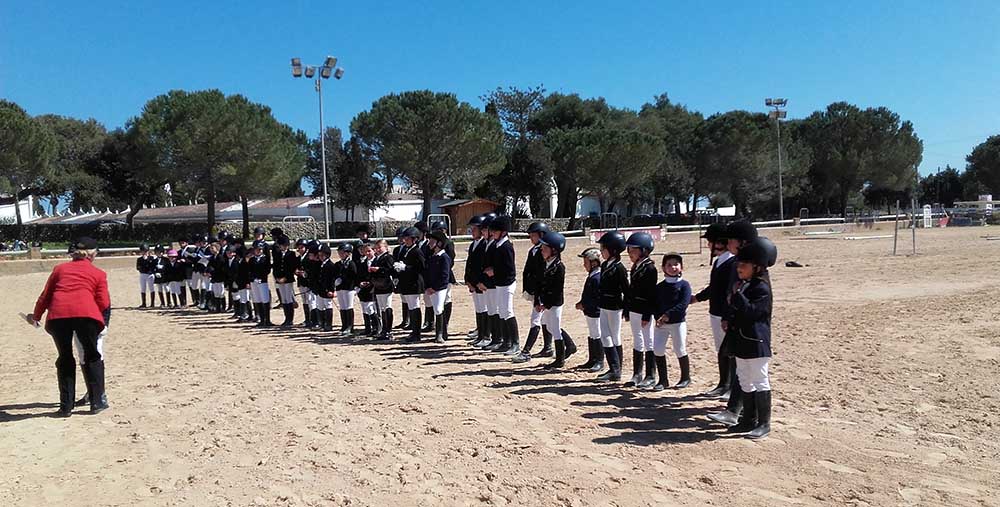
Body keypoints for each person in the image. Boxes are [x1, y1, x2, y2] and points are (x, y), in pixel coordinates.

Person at [29, 237, 110, 416]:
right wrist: (101, 321)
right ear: (91, 254)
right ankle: (96, 402)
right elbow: (103, 302)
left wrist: (36, 316)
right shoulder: (98, 273)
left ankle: (66, 406)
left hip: (59, 316)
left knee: (65, 358)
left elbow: (46, 296)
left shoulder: (60, 269)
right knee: (92, 356)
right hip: (86, 315)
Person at [722, 236, 776, 439]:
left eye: (743, 265)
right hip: (742, 341)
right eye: (739, 265)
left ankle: (764, 423)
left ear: (757, 267)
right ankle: (748, 419)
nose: (739, 269)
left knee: (759, 379)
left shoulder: (761, 288)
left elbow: (753, 312)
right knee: (744, 378)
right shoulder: (745, 284)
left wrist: (738, 297)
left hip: (756, 342)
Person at [707, 220, 759, 427]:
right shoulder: (738, 261)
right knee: (739, 366)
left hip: (745, 322)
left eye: (731, 240)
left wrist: (730, 314)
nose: (727, 243)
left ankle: (738, 410)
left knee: (745, 369)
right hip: (734, 318)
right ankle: (736, 408)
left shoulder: (748, 266)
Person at [691, 223, 735, 397]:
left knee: (729, 350)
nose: (708, 245)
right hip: (715, 311)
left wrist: (727, 314)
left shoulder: (732, 262)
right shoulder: (719, 262)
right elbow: (714, 287)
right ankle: (723, 383)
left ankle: (731, 386)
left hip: (725, 313)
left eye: (709, 241)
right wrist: (698, 298)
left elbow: (729, 290)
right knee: (721, 349)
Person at [534, 231, 577, 368]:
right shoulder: (544, 264)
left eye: (545, 248)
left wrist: (546, 304)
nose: (542, 250)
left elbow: (557, 289)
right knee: (549, 325)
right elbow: (539, 284)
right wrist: (537, 301)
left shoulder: (559, 267)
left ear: (554, 250)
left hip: (554, 302)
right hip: (545, 302)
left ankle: (560, 359)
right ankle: (570, 345)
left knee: (555, 328)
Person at [650, 252, 692, 391]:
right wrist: (658, 317)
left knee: (680, 349)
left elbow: (683, 304)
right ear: (663, 268)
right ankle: (663, 380)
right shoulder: (659, 287)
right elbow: (655, 304)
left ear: (681, 267)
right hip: (661, 324)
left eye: (676, 264)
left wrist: (668, 315)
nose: (672, 267)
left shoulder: (684, 285)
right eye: (669, 265)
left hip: (677, 323)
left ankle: (685, 378)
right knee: (658, 349)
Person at [625, 232, 658, 388]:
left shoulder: (650, 268)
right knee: (637, 340)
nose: (630, 253)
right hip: (634, 309)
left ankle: (651, 374)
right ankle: (637, 373)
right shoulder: (636, 266)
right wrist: (627, 308)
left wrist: (647, 313)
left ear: (644, 250)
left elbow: (651, 294)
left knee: (648, 340)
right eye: (629, 250)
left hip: (644, 310)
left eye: (633, 250)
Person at [483, 216, 520, 354]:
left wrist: (494, 271)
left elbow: (509, 268)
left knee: (508, 311)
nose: (492, 233)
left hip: (507, 283)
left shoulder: (506, 246)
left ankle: (515, 342)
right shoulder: (499, 245)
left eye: (495, 231)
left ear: (503, 232)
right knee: (503, 313)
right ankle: (506, 341)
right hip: (500, 283)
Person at [595, 232, 628, 381]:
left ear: (613, 250)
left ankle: (616, 369)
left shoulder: (619, 268)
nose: (601, 251)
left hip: (614, 306)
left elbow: (626, 289)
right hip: (603, 305)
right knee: (604, 335)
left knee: (615, 336)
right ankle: (613, 367)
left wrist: (626, 308)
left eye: (604, 248)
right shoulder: (604, 265)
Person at [517, 222, 552, 360]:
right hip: (535, 290)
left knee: (536, 319)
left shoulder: (543, 251)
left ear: (541, 235)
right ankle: (548, 347)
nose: (531, 237)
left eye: (533, 235)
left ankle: (526, 351)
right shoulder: (534, 250)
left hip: (541, 291)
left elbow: (540, 273)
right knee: (545, 319)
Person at [572, 247, 604, 372]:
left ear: (594, 263)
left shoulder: (597, 277)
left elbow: (595, 297)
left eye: (586, 262)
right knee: (592, 334)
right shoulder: (592, 275)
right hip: (590, 311)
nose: (584, 265)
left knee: (597, 334)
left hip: (595, 311)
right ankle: (592, 359)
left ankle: (599, 361)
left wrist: (584, 304)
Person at [394, 227, 426, 342]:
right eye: (405, 238)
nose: (405, 240)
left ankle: (416, 333)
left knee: (414, 307)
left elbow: (421, 267)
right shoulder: (406, 250)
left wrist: (406, 267)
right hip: (406, 283)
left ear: (414, 239)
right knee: (411, 307)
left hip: (414, 283)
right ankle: (413, 331)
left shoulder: (417, 251)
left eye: (408, 239)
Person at [424, 230, 454, 343]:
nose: (430, 242)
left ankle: (440, 334)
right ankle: (439, 333)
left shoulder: (444, 257)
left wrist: (435, 287)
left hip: (440, 288)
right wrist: (428, 286)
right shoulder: (433, 257)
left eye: (433, 241)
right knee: (436, 308)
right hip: (432, 287)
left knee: (438, 308)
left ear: (439, 243)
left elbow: (444, 276)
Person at [464, 215, 488, 343]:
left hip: (480, 283)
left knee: (483, 308)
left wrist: (479, 282)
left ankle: (485, 334)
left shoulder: (484, 244)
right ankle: (480, 333)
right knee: (478, 308)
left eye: (475, 229)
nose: (472, 231)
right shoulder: (474, 244)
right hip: (473, 282)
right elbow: (470, 264)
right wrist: (468, 280)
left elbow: (481, 265)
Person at [430, 220, 456, 338]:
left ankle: (443, 327)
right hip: (435, 277)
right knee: (437, 305)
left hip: (445, 277)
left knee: (446, 300)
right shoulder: (432, 251)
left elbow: (450, 260)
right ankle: (439, 328)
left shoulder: (448, 244)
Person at [369, 239, 397, 340]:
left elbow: (391, 270)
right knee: (381, 308)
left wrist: (379, 269)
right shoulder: (377, 258)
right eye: (376, 248)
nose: (378, 250)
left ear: (385, 247)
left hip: (386, 285)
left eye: (380, 247)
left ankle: (388, 330)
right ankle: (384, 329)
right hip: (378, 285)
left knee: (387, 306)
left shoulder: (388, 257)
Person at [272, 236, 300, 327]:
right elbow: (276, 267)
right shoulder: (277, 254)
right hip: (279, 279)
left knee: (288, 298)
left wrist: (285, 278)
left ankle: (290, 319)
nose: (283, 247)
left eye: (284, 245)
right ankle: (286, 318)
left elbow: (291, 268)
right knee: (283, 299)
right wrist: (277, 277)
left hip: (287, 279)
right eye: (281, 245)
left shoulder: (291, 254)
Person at [356, 241, 380, 338]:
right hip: (364, 289)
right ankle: (368, 328)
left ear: (374, 251)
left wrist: (371, 283)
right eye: (365, 252)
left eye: (369, 251)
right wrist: (360, 283)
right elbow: (359, 275)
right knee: (365, 308)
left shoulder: (377, 261)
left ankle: (377, 327)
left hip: (373, 288)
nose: (367, 253)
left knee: (372, 308)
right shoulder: (363, 262)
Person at [334, 243, 358, 337]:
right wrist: (336, 280)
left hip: (349, 288)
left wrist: (343, 279)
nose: (340, 254)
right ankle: (344, 325)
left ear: (348, 253)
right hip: (340, 288)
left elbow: (353, 275)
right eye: (339, 252)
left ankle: (350, 326)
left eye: (342, 252)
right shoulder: (338, 264)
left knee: (348, 306)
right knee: (342, 307)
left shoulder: (351, 264)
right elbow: (336, 274)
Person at [392, 227, 412, 331]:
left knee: (408, 299)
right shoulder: (396, 249)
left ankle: (409, 320)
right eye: (399, 237)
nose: (400, 239)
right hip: (399, 276)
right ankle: (405, 319)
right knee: (403, 298)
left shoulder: (407, 249)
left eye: (402, 237)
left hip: (406, 275)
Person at [249, 240, 273, 327]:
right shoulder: (252, 260)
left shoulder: (265, 259)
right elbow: (250, 270)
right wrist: (252, 278)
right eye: (257, 249)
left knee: (265, 299)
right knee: (257, 299)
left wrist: (260, 277)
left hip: (262, 281)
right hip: (254, 282)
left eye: (260, 249)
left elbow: (267, 270)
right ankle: (262, 319)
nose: (259, 251)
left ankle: (268, 320)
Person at [294, 239, 315, 327]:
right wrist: (296, 272)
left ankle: (314, 319)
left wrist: (304, 273)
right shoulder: (299, 258)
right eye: (298, 248)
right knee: (305, 301)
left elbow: (311, 269)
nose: (300, 249)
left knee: (311, 301)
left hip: (308, 282)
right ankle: (307, 319)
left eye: (302, 247)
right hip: (301, 281)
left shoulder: (308, 257)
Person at [316, 244, 336, 332]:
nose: (320, 257)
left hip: (327, 289)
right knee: (320, 306)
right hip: (321, 289)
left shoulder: (330, 265)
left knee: (328, 305)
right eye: (319, 255)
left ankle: (329, 324)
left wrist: (331, 290)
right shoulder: (321, 264)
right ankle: (322, 323)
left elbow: (332, 279)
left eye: (322, 255)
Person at [136, 244, 157, 308]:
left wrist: (147, 260)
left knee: (151, 288)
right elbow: (138, 267)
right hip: (143, 274)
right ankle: (143, 303)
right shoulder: (139, 259)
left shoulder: (151, 258)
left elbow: (152, 266)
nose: (144, 253)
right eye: (143, 251)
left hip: (150, 275)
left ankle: (152, 303)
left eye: (145, 251)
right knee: (143, 289)